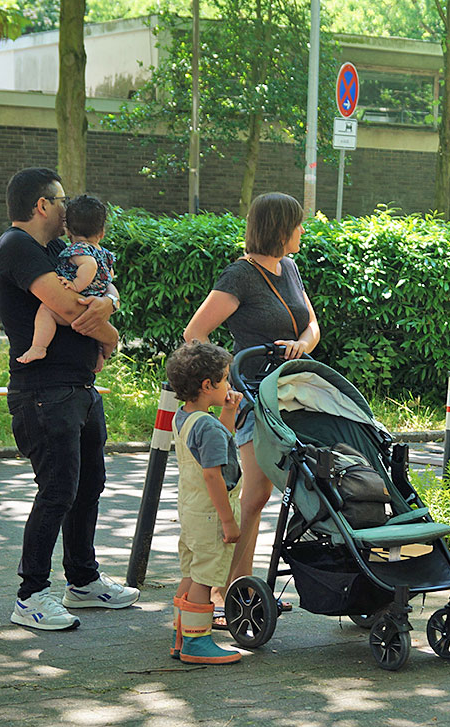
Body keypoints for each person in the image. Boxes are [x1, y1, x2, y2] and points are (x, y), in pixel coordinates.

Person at [0, 168, 137, 631]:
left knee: (88, 487)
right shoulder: (16, 248)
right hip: (43, 393)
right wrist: (111, 334)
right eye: (61, 199)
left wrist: (109, 304)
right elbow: (72, 309)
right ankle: (30, 594)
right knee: (57, 491)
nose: (66, 207)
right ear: (41, 205)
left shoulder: (56, 250)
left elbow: (103, 286)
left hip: (79, 389)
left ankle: (83, 580)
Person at [183, 192, 320, 619]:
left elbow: (312, 324)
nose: (302, 231)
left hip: (292, 390)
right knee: (255, 494)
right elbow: (195, 334)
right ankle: (228, 593)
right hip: (256, 396)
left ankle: (237, 589)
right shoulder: (240, 275)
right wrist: (224, 383)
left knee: (261, 495)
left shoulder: (290, 268)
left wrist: (302, 343)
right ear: (278, 227)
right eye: (297, 224)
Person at [165, 340, 243, 664]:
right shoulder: (206, 426)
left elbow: (214, 446)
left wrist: (228, 412)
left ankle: (181, 634)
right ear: (207, 385)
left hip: (191, 510)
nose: (229, 384)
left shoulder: (185, 418)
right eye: (225, 378)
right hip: (212, 513)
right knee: (205, 577)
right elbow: (213, 474)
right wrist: (228, 520)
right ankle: (197, 643)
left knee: (192, 571)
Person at [18, 194, 116, 365]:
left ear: (69, 230)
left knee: (46, 311)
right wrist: (107, 296)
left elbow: (89, 264)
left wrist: (76, 284)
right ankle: (99, 356)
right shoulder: (105, 253)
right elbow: (110, 276)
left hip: (80, 301)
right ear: (101, 233)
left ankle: (39, 347)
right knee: (93, 331)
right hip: (95, 300)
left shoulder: (78, 250)